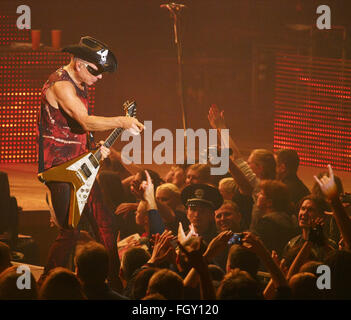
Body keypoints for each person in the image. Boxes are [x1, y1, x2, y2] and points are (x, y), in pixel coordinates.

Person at [37, 36, 144, 290]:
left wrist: (93, 149)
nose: (100, 77)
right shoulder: (61, 86)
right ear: (79, 63)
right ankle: (45, 285)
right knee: (70, 231)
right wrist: (122, 121)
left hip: (80, 163)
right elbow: (84, 120)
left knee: (106, 221)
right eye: (96, 71)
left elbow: (76, 128)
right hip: (61, 169)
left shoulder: (80, 80)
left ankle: (113, 283)